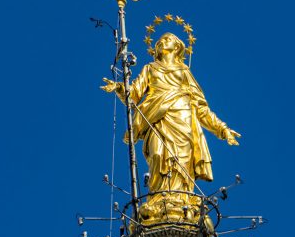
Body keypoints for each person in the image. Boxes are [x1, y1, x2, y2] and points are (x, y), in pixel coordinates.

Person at [101, 32, 240, 223]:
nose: (162, 41)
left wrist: (222, 129)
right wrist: (118, 87)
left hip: (182, 119)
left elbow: (201, 108)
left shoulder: (184, 72)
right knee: (158, 155)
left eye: (167, 39)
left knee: (182, 164)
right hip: (156, 118)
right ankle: (159, 199)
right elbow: (132, 95)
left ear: (177, 47)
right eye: (160, 40)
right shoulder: (150, 69)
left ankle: (182, 199)